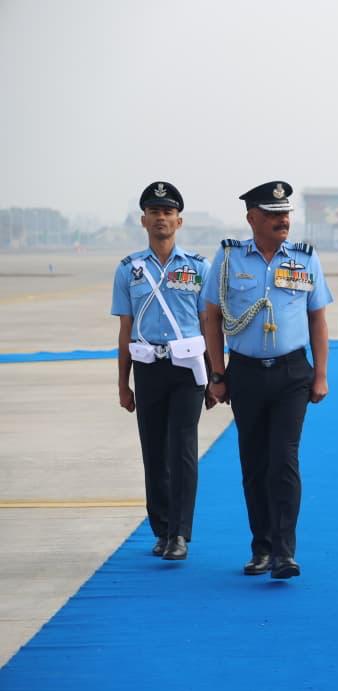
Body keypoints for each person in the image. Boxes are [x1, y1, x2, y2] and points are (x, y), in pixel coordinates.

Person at [201, 181, 332, 580]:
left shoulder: (306, 259)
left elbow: (317, 318)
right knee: (255, 464)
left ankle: (284, 552)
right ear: (252, 218)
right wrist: (217, 373)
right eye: (274, 215)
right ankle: (261, 548)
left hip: (293, 373)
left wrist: (321, 374)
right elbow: (211, 317)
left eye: (286, 214)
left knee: (284, 460)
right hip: (246, 373)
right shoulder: (228, 259)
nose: (283, 221)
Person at [111, 181, 212, 562]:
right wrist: (123, 384)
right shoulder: (129, 270)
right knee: (153, 450)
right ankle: (162, 529)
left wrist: (217, 376)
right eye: (154, 212)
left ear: (179, 221)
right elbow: (124, 328)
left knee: (182, 449)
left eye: (168, 212)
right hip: (147, 368)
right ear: (143, 220)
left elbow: (208, 322)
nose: (161, 218)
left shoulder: (198, 267)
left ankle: (181, 533)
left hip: (188, 368)